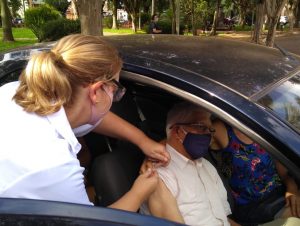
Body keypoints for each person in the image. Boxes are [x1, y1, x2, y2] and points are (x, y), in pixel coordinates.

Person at [0, 34, 170, 212]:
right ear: (96, 91)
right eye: (115, 89)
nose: (115, 97)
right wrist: (138, 192)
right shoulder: (54, 167)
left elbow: (93, 117)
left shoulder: (14, 91)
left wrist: (142, 140)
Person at [140, 102, 239, 226]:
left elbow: (223, 219)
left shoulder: (206, 166)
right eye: (201, 127)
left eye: (210, 129)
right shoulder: (158, 175)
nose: (208, 134)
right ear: (178, 131)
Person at [210, 119, 300, 224]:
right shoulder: (223, 128)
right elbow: (199, 135)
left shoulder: (263, 123)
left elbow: (283, 172)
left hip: (279, 192)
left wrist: (292, 190)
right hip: (251, 206)